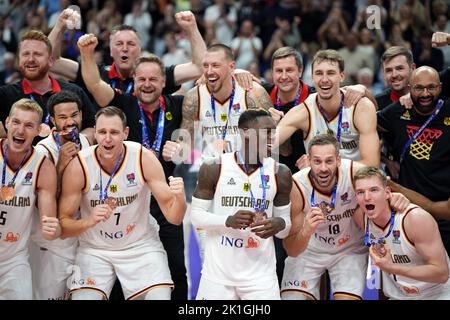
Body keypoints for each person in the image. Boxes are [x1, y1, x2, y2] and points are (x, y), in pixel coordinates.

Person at [77, 33, 188, 300]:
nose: (147, 84)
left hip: (165, 196)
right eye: (141, 79)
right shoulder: (123, 104)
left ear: (164, 82)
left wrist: (187, 151)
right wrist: (87, 53)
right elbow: (93, 83)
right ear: (134, 83)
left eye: (153, 79)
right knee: (117, 277)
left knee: (174, 269)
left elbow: (210, 84)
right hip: (131, 199)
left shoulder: (181, 103)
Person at [59, 106, 187, 300]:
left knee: (160, 296)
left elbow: (174, 218)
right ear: (95, 133)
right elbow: (64, 225)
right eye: (102, 132)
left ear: (125, 133)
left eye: (114, 132)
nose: (107, 138)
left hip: (140, 245)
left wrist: (180, 200)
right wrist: (89, 221)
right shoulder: (80, 165)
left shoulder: (143, 158)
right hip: (94, 250)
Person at [191, 109, 292, 300]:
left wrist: (280, 224)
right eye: (266, 132)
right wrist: (227, 220)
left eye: (274, 132)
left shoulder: (281, 173)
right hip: (218, 276)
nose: (273, 138)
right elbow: (196, 216)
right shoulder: (214, 167)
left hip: (261, 277)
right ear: (245, 132)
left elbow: (285, 228)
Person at [281, 134, 368, 300]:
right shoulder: (296, 186)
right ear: (308, 160)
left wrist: (400, 199)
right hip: (309, 251)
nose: (323, 168)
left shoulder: (356, 173)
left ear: (338, 160)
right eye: (317, 161)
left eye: (329, 161)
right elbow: (291, 250)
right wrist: (306, 230)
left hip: (348, 250)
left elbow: (384, 190)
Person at [49, 8, 206, 99]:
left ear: (139, 50)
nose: (124, 48)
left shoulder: (155, 77)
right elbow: (52, 62)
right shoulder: (94, 74)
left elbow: (200, 67)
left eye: (130, 44)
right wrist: (59, 27)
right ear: (110, 50)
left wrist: (192, 28)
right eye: (119, 44)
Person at [377, 66, 450, 255]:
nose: (425, 94)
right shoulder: (397, 111)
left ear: (441, 87)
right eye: (419, 88)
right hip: (407, 212)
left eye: (431, 87)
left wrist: (392, 186)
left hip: (444, 214)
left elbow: (442, 210)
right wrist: (360, 91)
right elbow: (361, 121)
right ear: (410, 88)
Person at [29, 91, 93, 300]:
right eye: (63, 118)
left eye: (74, 115)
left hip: (80, 237)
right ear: (53, 120)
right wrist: (60, 165)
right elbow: (42, 204)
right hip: (51, 243)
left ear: (82, 115)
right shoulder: (42, 150)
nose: (70, 122)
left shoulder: (84, 141)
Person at [164, 44, 274, 164]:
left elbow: (274, 144)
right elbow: (186, 144)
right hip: (210, 172)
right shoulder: (194, 97)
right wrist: (175, 150)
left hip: (247, 170)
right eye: (205, 66)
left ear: (231, 67)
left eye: (215, 66)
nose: (209, 71)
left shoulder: (253, 94)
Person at [354, 166, 450, 299]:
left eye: (374, 190)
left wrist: (392, 268)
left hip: (435, 294)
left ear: (388, 193)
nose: (367, 197)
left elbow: (441, 273)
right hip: (398, 296)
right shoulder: (360, 217)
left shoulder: (415, 218)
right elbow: (382, 273)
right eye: (360, 192)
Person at [276, 49, 380, 169]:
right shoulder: (303, 112)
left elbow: (372, 166)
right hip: (321, 183)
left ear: (341, 76)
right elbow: (262, 146)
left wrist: (320, 166)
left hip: (358, 183)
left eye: (330, 73)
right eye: (319, 73)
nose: (324, 79)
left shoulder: (360, 107)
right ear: (312, 77)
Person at [0, 98, 60, 299]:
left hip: (13, 260)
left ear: (39, 130)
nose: (20, 130)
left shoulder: (43, 167)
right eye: (16, 122)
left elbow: (48, 222)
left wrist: (52, 226)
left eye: (28, 125)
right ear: (7, 122)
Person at [0, 30, 96, 139]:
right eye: (26, 54)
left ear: (50, 61)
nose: (31, 59)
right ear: (19, 60)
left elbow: (92, 128)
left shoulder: (74, 92)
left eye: (37, 54)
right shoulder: (4, 95)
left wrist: (75, 142)